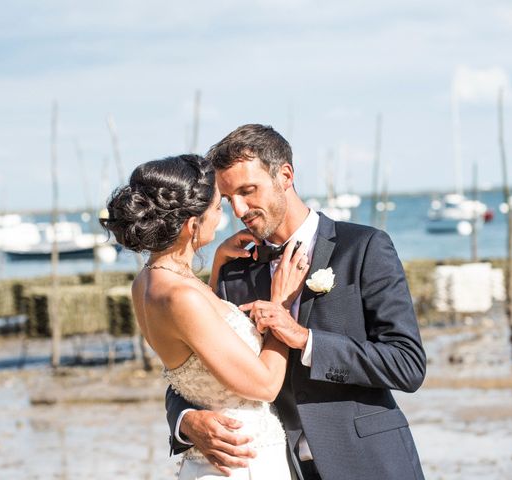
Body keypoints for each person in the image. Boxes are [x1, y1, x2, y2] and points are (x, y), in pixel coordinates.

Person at [166, 125, 427, 480]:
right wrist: (186, 420)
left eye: (247, 191)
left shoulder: (364, 248)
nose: (239, 209)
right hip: (276, 468)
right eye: (228, 199)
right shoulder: (233, 272)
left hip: (368, 463)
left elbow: (407, 364)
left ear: (285, 175)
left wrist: (305, 340)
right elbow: (191, 371)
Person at [100, 154, 309, 479]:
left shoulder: (147, 281)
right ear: (191, 225)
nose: (225, 215)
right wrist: (280, 303)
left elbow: (198, 341)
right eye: (217, 208)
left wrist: (218, 266)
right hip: (243, 462)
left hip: (215, 461)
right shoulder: (181, 296)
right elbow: (266, 385)